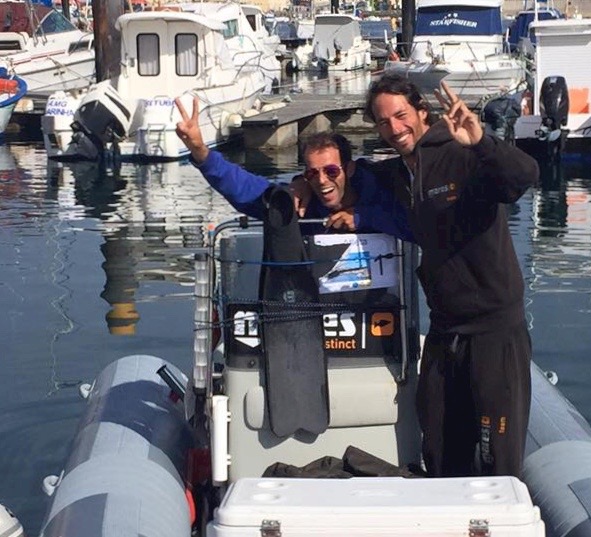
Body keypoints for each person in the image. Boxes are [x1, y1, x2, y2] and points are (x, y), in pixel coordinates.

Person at [363, 74, 540, 479]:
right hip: (445, 331)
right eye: (384, 121)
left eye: (401, 115)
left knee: (499, 458)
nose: (394, 128)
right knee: (440, 448)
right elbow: (342, 179)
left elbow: (524, 176)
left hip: (495, 332)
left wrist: (481, 142)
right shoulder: (397, 174)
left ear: (421, 112)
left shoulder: (462, 154)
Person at [174, 96, 411, 240]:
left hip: (383, 301)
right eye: (312, 173)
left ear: (348, 169)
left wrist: (362, 218)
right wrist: (200, 151)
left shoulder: (383, 191)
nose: (322, 180)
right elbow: (245, 188)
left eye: (331, 171)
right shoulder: (300, 203)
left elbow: (415, 226)